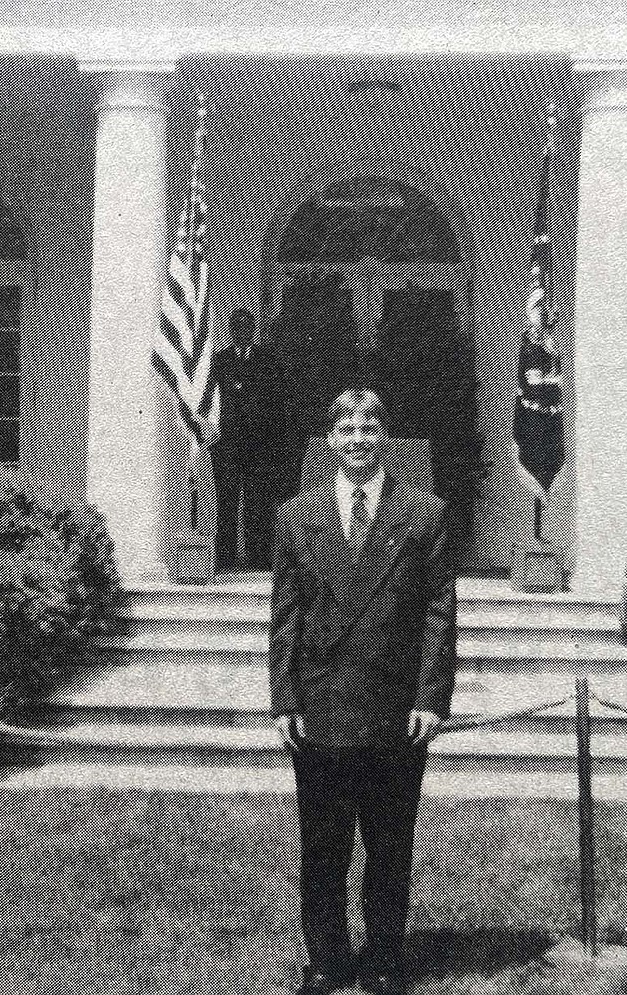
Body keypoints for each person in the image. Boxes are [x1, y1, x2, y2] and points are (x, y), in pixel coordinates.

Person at [269, 388, 457, 995]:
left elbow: (437, 609)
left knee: (389, 841)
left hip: (395, 705)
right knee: (323, 842)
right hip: (320, 703)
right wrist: (284, 700)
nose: (358, 441)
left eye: (369, 429)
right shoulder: (297, 514)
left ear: (385, 440)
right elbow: (286, 614)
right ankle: (324, 958)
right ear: (331, 440)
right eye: (346, 430)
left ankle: (384, 957)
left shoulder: (423, 511)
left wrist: (431, 698)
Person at [211, 308, 282, 570]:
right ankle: (226, 557)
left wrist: (273, 444)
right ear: (231, 330)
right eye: (237, 327)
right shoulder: (220, 361)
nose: (243, 332)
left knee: (258, 502)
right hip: (228, 445)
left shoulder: (267, 361)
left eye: (247, 327)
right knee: (227, 501)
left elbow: (275, 404)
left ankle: (258, 558)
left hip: (258, 445)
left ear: (253, 330)